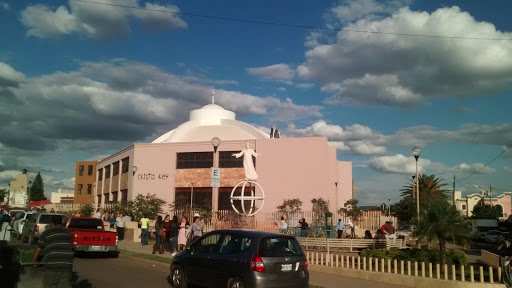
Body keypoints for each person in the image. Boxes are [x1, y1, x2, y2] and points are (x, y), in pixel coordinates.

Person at [32, 215, 73, 288]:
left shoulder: (46, 232)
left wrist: (34, 261)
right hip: (67, 266)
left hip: (51, 266)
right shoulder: (68, 233)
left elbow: (38, 248)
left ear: (51, 223)